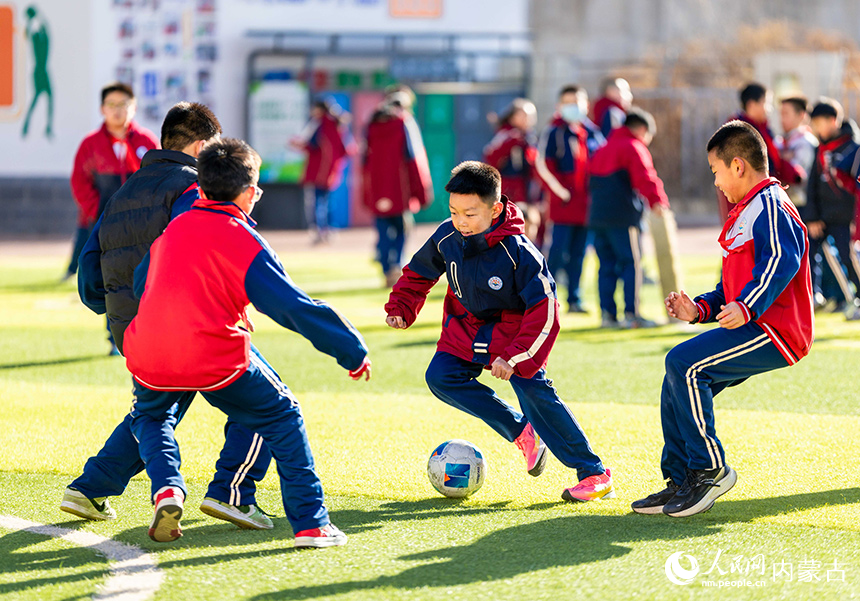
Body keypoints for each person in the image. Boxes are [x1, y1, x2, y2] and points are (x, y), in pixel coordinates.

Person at [124, 138, 371, 545]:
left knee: (151, 417)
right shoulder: (243, 237)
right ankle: (312, 522)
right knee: (281, 415)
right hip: (213, 355)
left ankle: (168, 488)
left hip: (148, 350)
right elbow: (290, 305)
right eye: (255, 187)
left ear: (200, 188)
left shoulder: (174, 227)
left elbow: (139, 284)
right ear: (249, 193)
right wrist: (350, 349)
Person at [62, 103, 275, 534]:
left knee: (157, 407)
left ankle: (89, 489)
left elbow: (88, 272)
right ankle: (233, 493)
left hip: (132, 329)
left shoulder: (124, 191)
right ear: (201, 146)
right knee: (267, 404)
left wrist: (118, 312)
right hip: (187, 323)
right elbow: (196, 248)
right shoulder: (194, 188)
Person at [384, 161, 613, 503]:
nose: (461, 221)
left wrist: (515, 356)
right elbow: (418, 273)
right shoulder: (448, 235)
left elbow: (546, 311)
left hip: (514, 332)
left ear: (495, 208)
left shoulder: (520, 253)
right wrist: (400, 308)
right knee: (441, 377)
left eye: (471, 214)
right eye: (454, 212)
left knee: (533, 390)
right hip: (465, 326)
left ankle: (594, 473)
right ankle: (522, 431)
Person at [632, 121, 813, 518]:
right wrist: (699, 309)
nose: (716, 182)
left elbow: (783, 260)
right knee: (676, 376)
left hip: (775, 330)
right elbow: (731, 284)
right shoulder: (747, 210)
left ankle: (710, 470)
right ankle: (680, 479)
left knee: (684, 365)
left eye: (715, 172)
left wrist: (747, 306)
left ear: (737, 166)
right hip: (753, 323)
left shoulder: (771, 205)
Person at [67, 83, 158, 317]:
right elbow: (80, 181)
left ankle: (141, 328)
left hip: (140, 224)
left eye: (123, 104)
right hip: (102, 222)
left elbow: (158, 178)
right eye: (111, 104)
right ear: (102, 109)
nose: (117, 110)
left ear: (134, 107)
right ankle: (113, 333)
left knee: (141, 276)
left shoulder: (146, 142)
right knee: (107, 278)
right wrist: (96, 210)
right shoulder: (91, 144)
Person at [588, 108, 669, 329]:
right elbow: (646, 177)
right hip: (623, 216)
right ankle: (632, 314)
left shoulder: (603, 148)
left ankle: (608, 315)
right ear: (642, 130)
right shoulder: (634, 147)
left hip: (597, 216)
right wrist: (657, 202)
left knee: (605, 266)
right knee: (630, 264)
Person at [536, 84, 606, 313]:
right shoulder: (553, 131)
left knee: (579, 254)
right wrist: (562, 192)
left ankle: (574, 299)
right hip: (563, 205)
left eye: (577, 102)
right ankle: (547, 299)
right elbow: (542, 165)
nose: (573, 107)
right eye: (568, 102)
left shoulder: (593, 132)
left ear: (586, 105)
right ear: (559, 106)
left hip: (588, 206)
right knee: (557, 252)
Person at [363, 89, 433, 287]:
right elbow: (414, 157)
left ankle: (386, 268)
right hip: (400, 187)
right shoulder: (404, 122)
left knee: (382, 229)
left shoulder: (372, 124)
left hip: (378, 186)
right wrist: (421, 190)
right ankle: (397, 264)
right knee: (403, 228)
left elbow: (364, 159)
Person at [803, 98, 860, 319]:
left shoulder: (854, 149)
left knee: (848, 257)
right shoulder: (820, 149)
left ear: (833, 120)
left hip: (847, 218)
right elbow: (812, 186)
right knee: (813, 253)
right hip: (823, 217)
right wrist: (812, 217)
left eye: (820, 122)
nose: (816, 128)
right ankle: (840, 299)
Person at [717, 83, 802, 222]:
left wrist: (795, 175)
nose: (769, 109)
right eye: (765, 103)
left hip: (763, 197)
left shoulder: (762, 129)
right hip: (747, 202)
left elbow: (774, 161)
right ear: (752, 105)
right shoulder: (738, 132)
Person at [290, 98, 352, 244]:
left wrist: (298, 145)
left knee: (318, 201)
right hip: (333, 169)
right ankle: (329, 230)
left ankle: (319, 231)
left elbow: (313, 145)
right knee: (328, 201)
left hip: (319, 169)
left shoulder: (321, 123)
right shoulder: (338, 124)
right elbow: (345, 149)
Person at [483, 98, 542, 246]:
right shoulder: (506, 135)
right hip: (508, 189)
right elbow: (491, 159)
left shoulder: (529, 137)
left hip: (526, 188)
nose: (528, 120)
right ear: (513, 116)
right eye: (523, 115)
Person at [776, 96, 818, 208]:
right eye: (781, 114)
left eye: (786, 114)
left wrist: (780, 159)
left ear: (801, 115)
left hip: (801, 205)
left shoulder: (807, 142)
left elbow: (801, 177)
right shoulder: (779, 141)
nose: (782, 119)